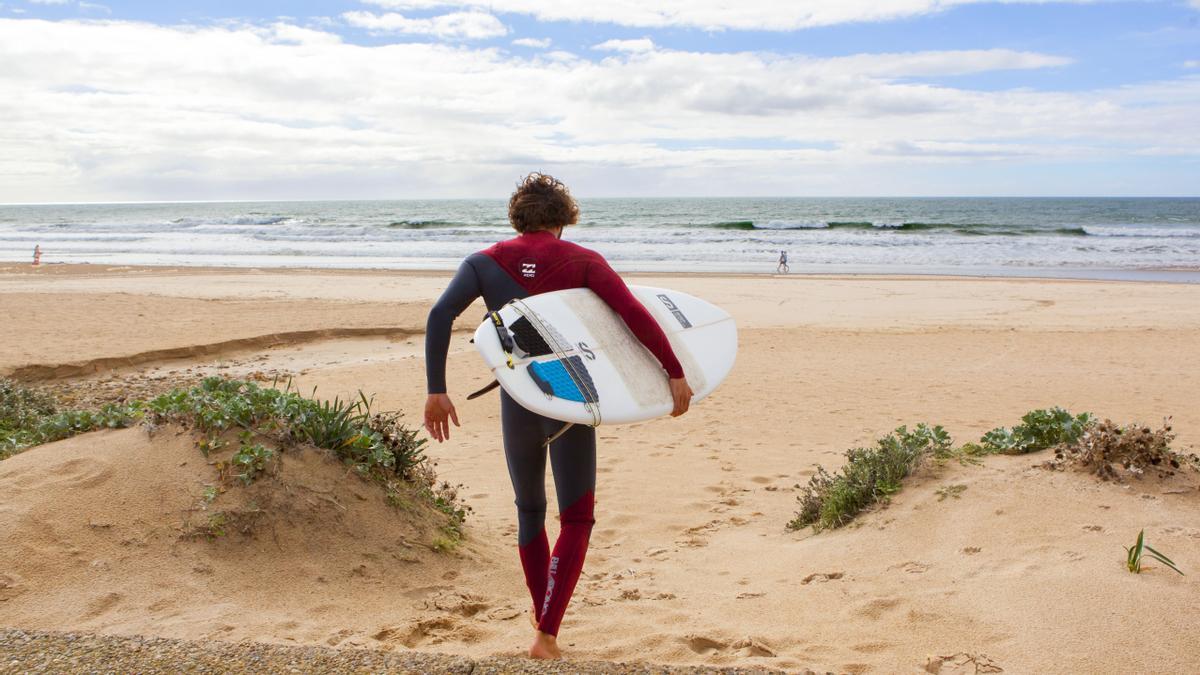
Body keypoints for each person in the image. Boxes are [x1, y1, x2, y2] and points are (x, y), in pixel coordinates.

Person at [423, 173, 693, 659]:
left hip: (519, 398)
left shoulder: (483, 263)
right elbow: (633, 315)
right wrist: (672, 371)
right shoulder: (583, 260)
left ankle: (540, 612)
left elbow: (440, 315)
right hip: (572, 398)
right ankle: (546, 633)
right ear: (564, 219)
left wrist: (436, 391)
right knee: (578, 516)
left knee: (530, 510)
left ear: (517, 216)